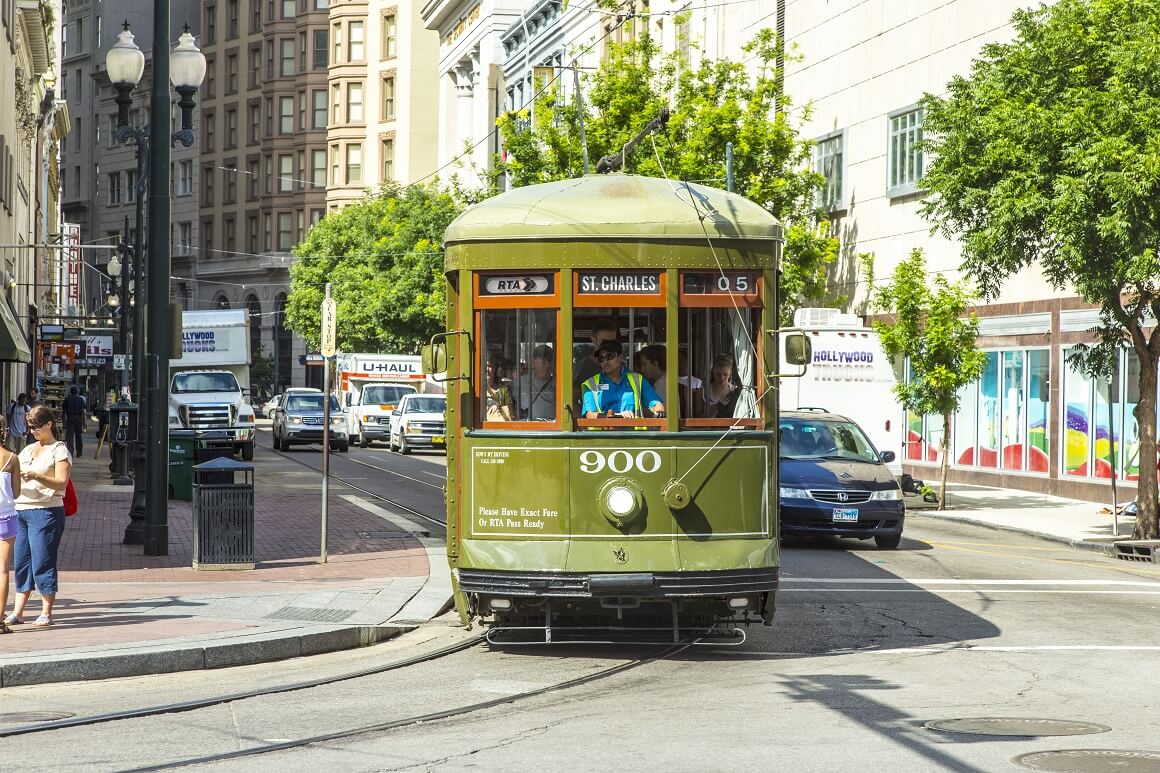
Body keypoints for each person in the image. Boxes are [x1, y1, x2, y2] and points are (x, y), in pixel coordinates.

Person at [5, 406, 71, 628]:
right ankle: (18, 611)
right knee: (22, 562)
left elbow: (61, 481)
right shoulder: (27, 450)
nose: (33, 431)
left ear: (49, 424)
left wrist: (37, 476)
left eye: (36, 427)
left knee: (43, 560)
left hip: (46, 510)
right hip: (22, 510)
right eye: (30, 427)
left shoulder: (59, 450)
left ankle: (46, 611)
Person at [580, 341, 665, 419]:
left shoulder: (637, 379)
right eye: (601, 359)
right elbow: (589, 414)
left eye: (610, 356)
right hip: (603, 435)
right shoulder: (591, 383)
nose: (605, 361)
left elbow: (656, 404)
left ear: (621, 357)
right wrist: (615, 417)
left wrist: (659, 412)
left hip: (633, 435)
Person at [0, 439, 21, 634]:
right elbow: (16, 493)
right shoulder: (12, 458)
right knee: (3, 570)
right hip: (6, 516)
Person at [572, 317, 619, 391]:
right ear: (593, 341)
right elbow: (574, 399)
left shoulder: (620, 366)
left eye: (612, 342)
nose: (608, 345)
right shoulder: (583, 368)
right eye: (603, 341)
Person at [519, 345, 556, 421]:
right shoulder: (521, 381)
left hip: (552, 428)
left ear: (547, 363)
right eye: (533, 358)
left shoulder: (558, 383)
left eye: (536, 358)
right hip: (529, 428)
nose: (532, 362)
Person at [705, 353, 741, 419]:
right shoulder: (703, 391)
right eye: (718, 374)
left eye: (725, 375)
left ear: (730, 374)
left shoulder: (735, 391)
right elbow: (696, 417)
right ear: (713, 372)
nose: (721, 378)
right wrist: (711, 413)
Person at [484, 356, 515, 421]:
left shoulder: (503, 389)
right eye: (484, 366)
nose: (486, 369)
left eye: (489, 366)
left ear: (495, 369)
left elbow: (511, 414)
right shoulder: (477, 390)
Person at [63, 386, 87, 457]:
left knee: (70, 437)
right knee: (78, 436)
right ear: (77, 392)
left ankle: (70, 452)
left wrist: (64, 421)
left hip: (70, 418)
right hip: (78, 418)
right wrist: (84, 423)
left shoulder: (67, 399)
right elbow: (83, 412)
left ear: (71, 392)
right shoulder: (80, 400)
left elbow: (63, 411)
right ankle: (79, 452)